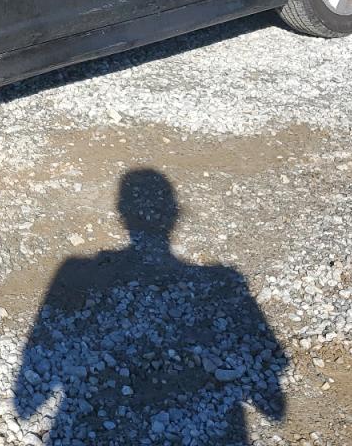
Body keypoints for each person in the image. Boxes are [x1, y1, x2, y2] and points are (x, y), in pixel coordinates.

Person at [15, 168, 287, 444]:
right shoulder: (226, 281)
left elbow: (25, 404)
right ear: (175, 214)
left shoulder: (74, 270)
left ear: (122, 213)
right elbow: (274, 403)